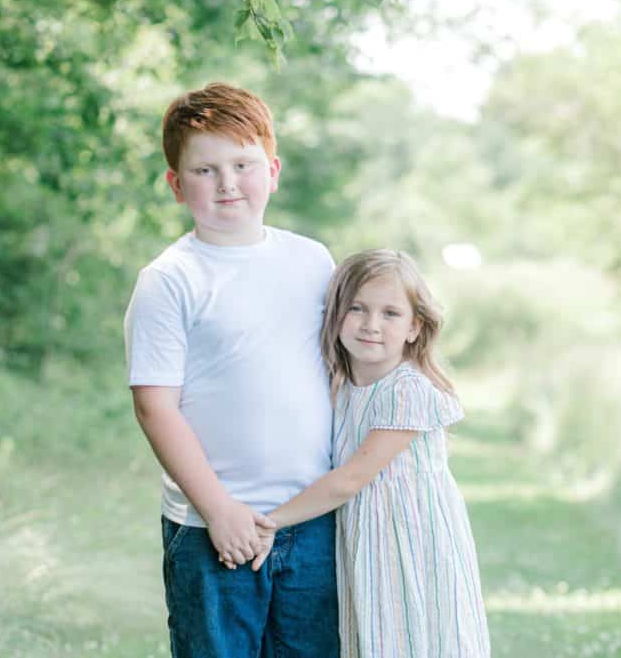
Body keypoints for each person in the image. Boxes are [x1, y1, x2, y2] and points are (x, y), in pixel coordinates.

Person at [124, 82, 338, 658]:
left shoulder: (313, 261)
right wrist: (218, 510)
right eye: (205, 170)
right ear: (175, 185)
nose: (226, 183)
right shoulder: (171, 279)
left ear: (272, 170)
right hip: (214, 525)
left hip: (313, 517)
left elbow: (345, 368)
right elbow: (154, 407)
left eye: (242, 164)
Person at [251, 249, 491, 657]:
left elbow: (349, 479)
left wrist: (270, 523)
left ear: (415, 327)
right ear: (336, 314)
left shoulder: (407, 390)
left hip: (412, 542)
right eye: (357, 308)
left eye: (390, 314)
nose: (371, 325)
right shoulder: (341, 387)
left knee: (416, 637)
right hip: (368, 542)